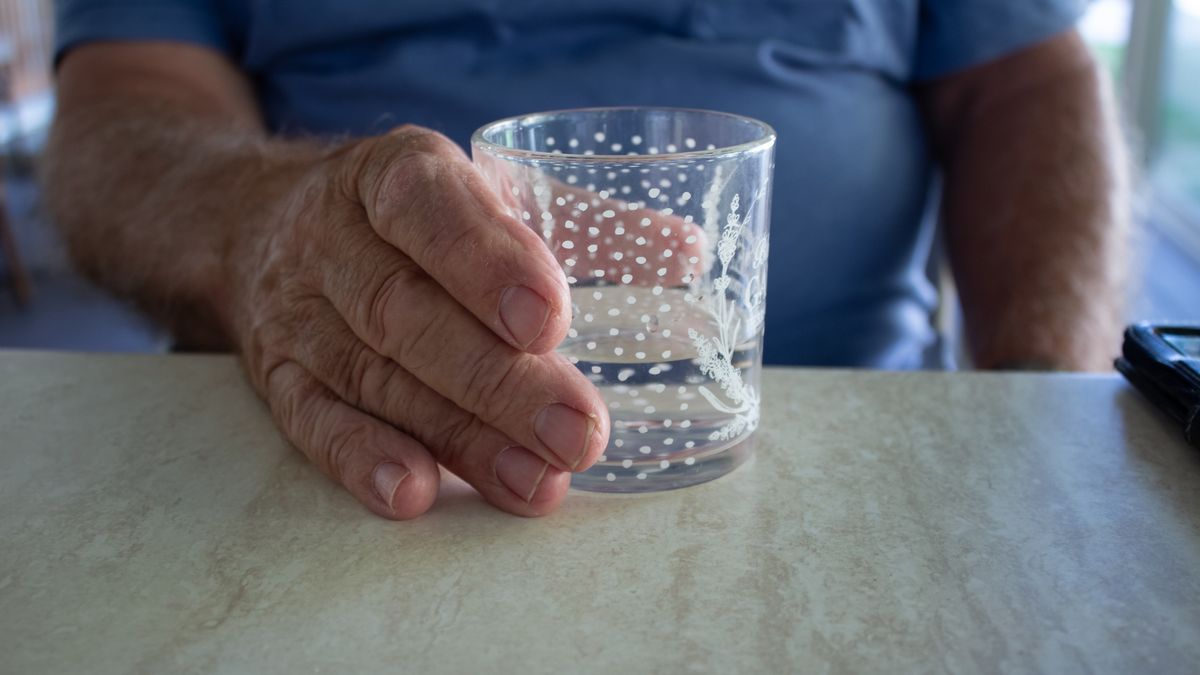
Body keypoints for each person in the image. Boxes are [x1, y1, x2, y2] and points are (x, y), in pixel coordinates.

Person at [45, 1, 1129, 520]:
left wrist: (1037, 407)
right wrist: (262, 224)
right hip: (350, 446)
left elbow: (1028, 78)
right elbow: (118, 109)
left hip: (861, 454)